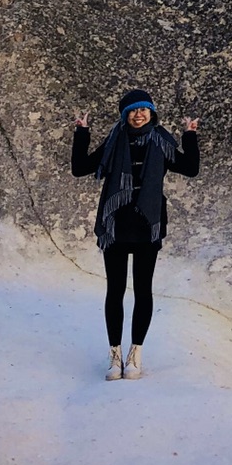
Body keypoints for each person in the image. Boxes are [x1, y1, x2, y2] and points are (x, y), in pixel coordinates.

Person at [71, 89, 200, 381]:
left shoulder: (161, 140)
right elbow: (80, 168)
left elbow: (190, 168)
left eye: (143, 110)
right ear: (124, 115)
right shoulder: (115, 140)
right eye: (132, 110)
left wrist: (189, 135)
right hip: (116, 225)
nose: (138, 115)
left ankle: (135, 353)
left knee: (143, 291)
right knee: (115, 291)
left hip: (147, 225)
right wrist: (82, 133)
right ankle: (114, 354)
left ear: (151, 112)